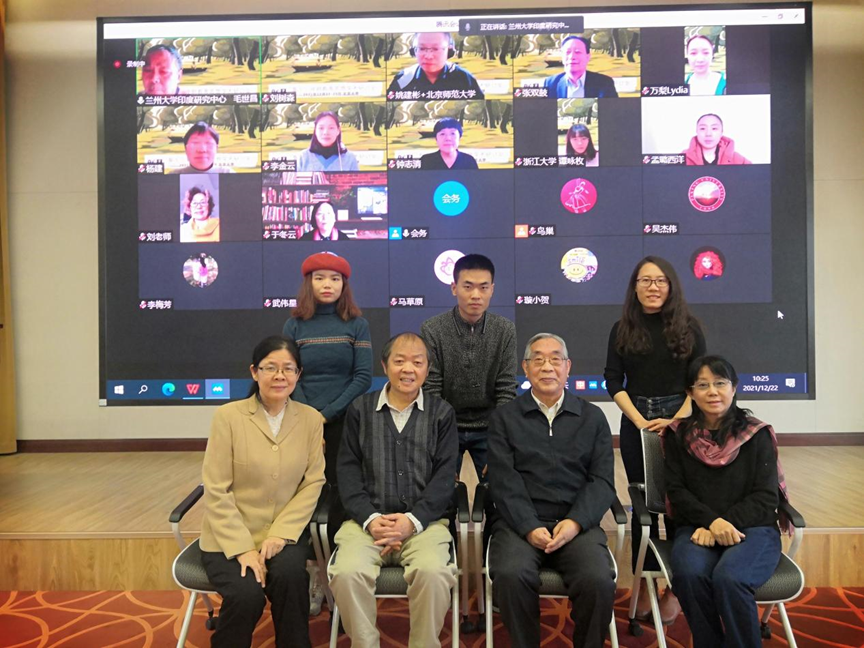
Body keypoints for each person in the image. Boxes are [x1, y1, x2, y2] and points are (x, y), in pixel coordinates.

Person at [329, 332, 459, 648]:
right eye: (399, 361)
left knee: (433, 573)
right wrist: (371, 519)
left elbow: (445, 477)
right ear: (385, 365)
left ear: (428, 368)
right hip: (365, 525)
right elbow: (347, 472)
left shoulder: (442, 413)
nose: (408, 369)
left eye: (417, 362)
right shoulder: (360, 409)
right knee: (346, 573)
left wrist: (411, 521)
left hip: (424, 525)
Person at [488, 333, 617, 648]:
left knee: (597, 579)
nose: (547, 367)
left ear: (568, 367)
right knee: (510, 574)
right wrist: (528, 526)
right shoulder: (505, 418)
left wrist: (575, 523)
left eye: (555, 359)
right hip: (520, 525)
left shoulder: (592, 417)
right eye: (538, 359)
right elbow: (503, 480)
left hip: (576, 524)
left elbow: (602, 481)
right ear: (526, 368)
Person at [199, 335, 325, 648]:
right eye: (270, 367)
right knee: (247, 595)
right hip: (229, 536)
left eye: (288, 368)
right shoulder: (228, 417)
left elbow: (313, 482)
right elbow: (216, 488)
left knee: (291, 578)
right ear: (255, 372)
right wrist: (242, 548)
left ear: (298, 374)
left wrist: (281, 534)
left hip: (283, 533)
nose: (280, 376)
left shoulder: (311, 419)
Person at [604, 255, 706, 624]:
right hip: (636, 418)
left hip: (681, 418)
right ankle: (645, 582)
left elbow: (700, 380)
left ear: (671, 286)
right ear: (635, 287)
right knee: (641, 503)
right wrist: (640, 421)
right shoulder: (622, 328)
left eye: (660, 280)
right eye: (645, 280)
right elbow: (612, 380)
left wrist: (675, 421)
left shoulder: (690, 328)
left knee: (676, 502)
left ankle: (676, 588)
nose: (653, 287)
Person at [664, 355, 785, 647]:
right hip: (697, 528)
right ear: (691, 393)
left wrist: (722, 523)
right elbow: (676, 492)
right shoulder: (678, 435)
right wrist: (711, 522)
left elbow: (766, 496)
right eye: (702, 385)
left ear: (734, 387)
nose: (713, 392)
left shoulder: (756, 434)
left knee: (731, 578)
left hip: (754, 529)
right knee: (689, 575)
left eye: (720, 383)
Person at [420, 254, 517, 483]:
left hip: (490, 427)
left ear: (492, 289)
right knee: (442, 489)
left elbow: (506, 388)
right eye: (468, 286)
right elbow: (431, 387)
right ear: (454, 288)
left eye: (483, 287)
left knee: (500, 486)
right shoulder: (433, 329)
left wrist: (499, 439)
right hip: (447, 426)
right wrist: (441, 438)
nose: (476, 295)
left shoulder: (505, 329)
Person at [387, 32, 485, 98]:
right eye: (422, 48)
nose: (428, 56)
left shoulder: (465, 78)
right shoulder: (403, 79)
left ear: (449, 51)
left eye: (435, 49)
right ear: (414, 51)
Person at [542, 35, 618, 98]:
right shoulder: (550, 83)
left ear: (587, 57)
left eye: (577, 52)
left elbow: (612, 110)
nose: (572, 57)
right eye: (568, 52)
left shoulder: (604, 83)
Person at [683, 114, 752, 166]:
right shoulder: (683, 158)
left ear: (721, 132)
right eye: (702, 128)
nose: (708, 134)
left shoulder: (738, 160)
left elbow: (753, 176)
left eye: (714, 128)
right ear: (696, 131)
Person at [170, 122, 235, 174]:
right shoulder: (173, 176)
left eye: (208, 143)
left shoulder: (227, 174)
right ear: (186, 149)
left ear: (216, 148)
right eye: (195, 143)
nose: (202, 149)